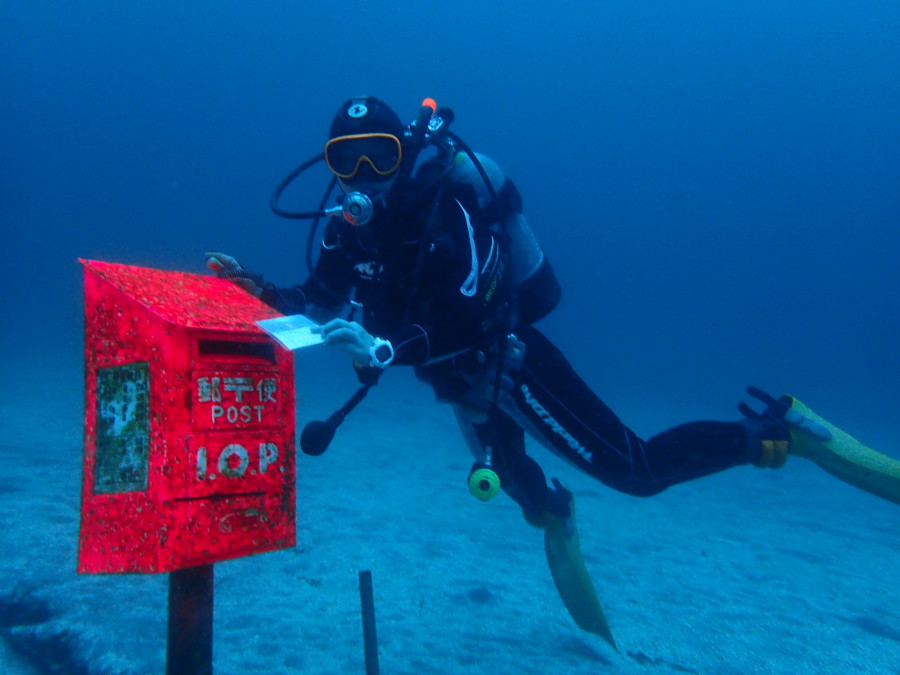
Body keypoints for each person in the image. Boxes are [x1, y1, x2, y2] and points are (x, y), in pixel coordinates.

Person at [205, 96, 897, 644]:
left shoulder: (447, 208)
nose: (362, 178)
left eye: (376, 157)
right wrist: (256, 288)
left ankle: (781, 428)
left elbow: (467, 304)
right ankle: (557, 512)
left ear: (403, 154)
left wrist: (385, 347)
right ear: (329, 165)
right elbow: (316, 300)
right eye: (345, 161)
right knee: (520, 489)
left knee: (636, 469)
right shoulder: (344, 230)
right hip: (458, 383)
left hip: (511, 362)